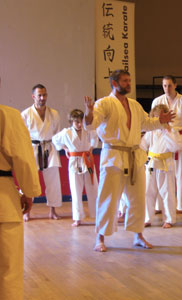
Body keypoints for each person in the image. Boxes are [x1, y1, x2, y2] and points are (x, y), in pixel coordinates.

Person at [83, 69, 175, 252]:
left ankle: (138, 235)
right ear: (115, 84)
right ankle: (100, 238)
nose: (129, 84)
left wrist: (160, 121)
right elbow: (91, 124)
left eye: (129, 80)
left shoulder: (134, 105)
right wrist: (89, 112)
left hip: (134, 156)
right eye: (125, 81)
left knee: (138, 198)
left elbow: (146, 124)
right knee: (108, 198)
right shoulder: (104, 103)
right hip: (113, 157)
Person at [0, 76, 42, 300]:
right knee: (8, 270)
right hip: (2, 201)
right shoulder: (7, 115)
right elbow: (23, 158)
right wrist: (28, 192)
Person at [151, 75, 182, 216]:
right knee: (160, 172)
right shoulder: (157, 101)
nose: (167, 88)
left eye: (169, 85)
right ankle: (159, 204)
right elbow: (152, 122)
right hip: (161, 140)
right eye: (164, 85)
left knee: (180, 174)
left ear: (175, 85)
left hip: (178, 138)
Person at [21, 84, 63, 221]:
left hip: (49, 148)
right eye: (39, 95)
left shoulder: (54, 113)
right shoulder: (26, 114)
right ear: (33, 96)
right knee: (30, 180)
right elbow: (22, 135)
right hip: (32, 148)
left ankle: (53, 210)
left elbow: (57, 133)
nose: (42, 98)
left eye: (44, 95)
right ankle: (26, 210)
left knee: (53, 181)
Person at [52, 109, 98, 227]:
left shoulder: (88, 130)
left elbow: (95, 138)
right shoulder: (66, 132)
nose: (79, 124)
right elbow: (54, 140)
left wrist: (91, 148)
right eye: (76, 122)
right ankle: (77, 218)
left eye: (80, 121)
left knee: (93, 187)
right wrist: (65, 148)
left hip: (88, 160)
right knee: (75, 190)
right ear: (71, 122)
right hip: (74, 161)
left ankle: (97, 215)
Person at [141, 104, 182, 228]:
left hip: (165, 164)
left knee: (167, 192)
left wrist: (167, 131)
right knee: (148, 191)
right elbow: (143, 145)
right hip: (152, 163)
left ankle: (169, 219)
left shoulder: (171, 131)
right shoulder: (151, 131)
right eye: (156, 117)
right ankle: (147, 218)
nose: (158, 120)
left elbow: (176, 147)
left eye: (161, 117)